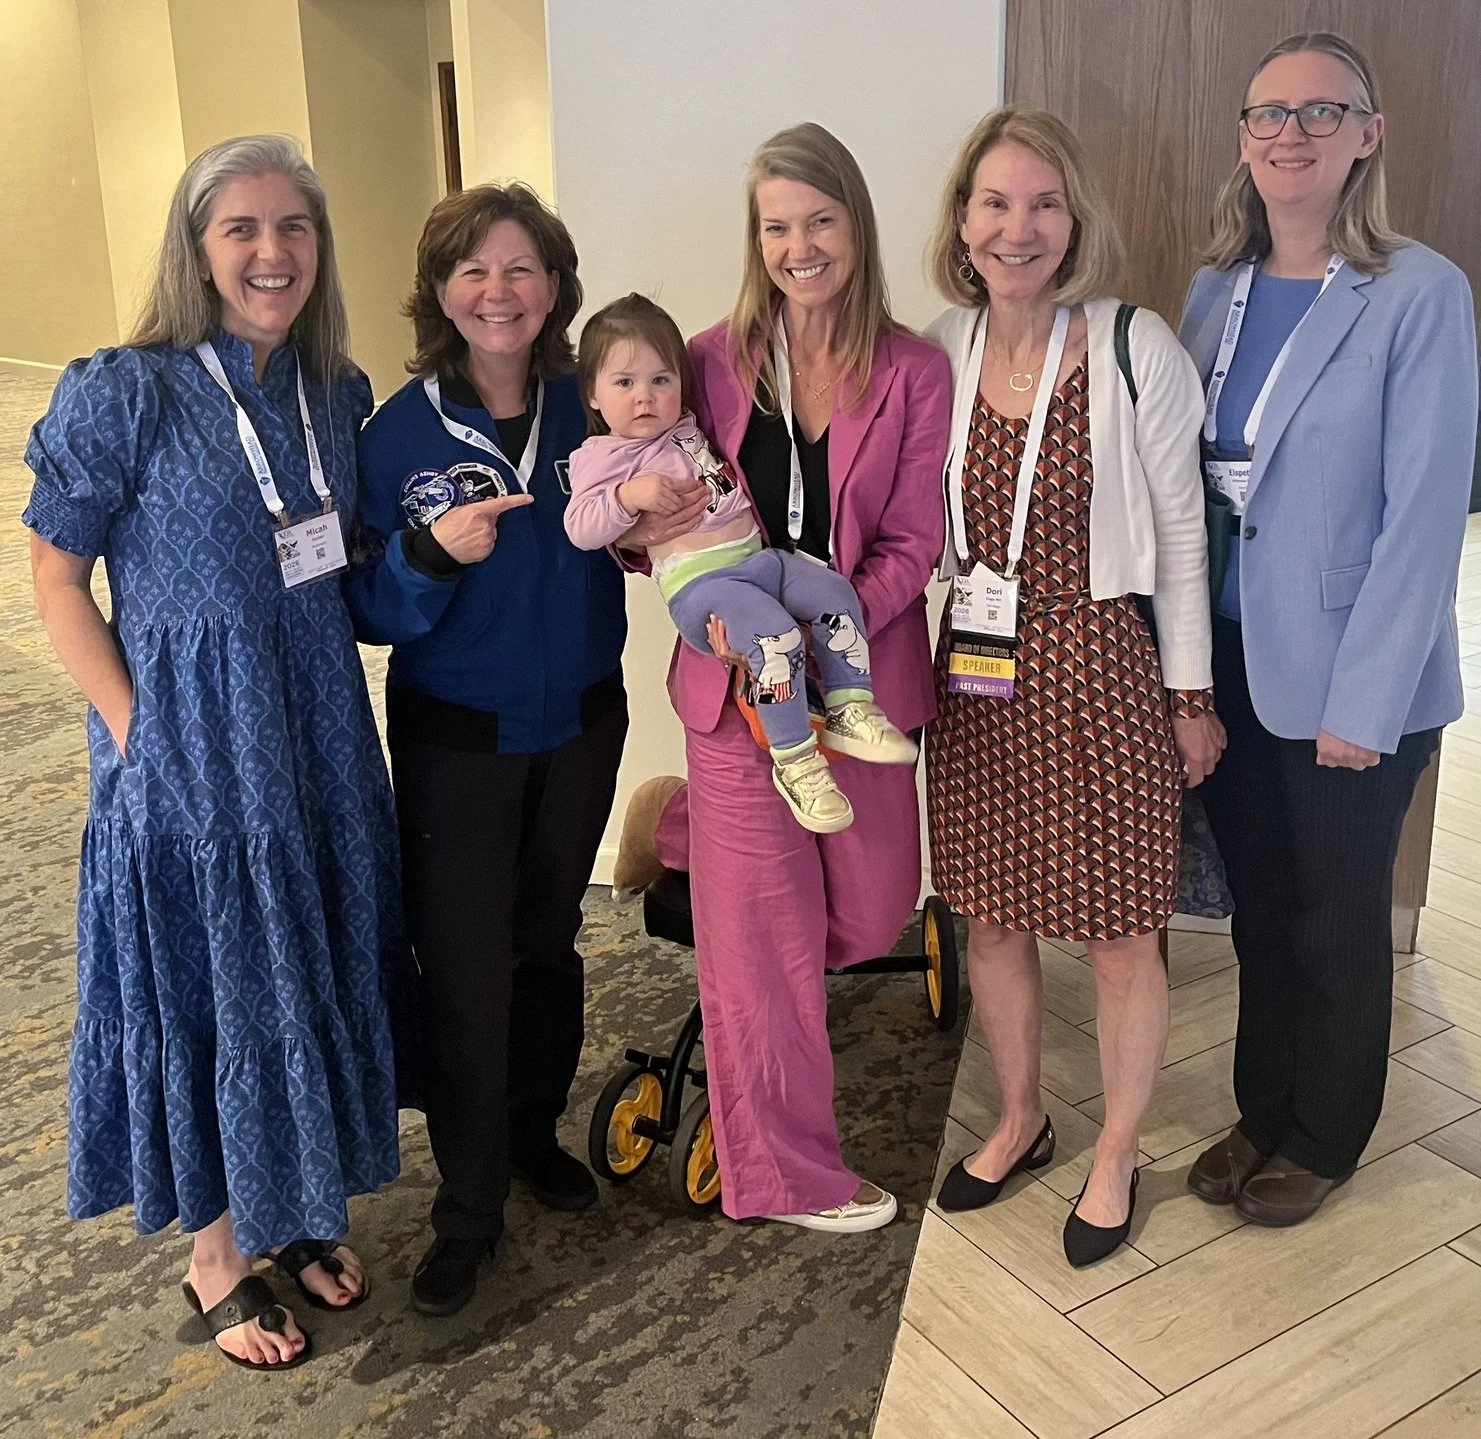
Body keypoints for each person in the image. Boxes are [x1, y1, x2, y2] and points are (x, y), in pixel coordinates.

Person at [24, 135, 409, 1369]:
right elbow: (54, 577)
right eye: (240, 228)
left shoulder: (334, 392)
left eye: (294, 227)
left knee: (307, 954)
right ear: (196, 251)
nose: (271, 252)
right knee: (216, 978)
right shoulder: (126, 390)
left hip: (314, 735)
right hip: (189, 750)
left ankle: (290, 1216)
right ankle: (215, 1253)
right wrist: (136, 732)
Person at [623, 122, 951, 1232]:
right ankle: (782, 1170)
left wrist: (822, 635)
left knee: (869, 908)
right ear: (754, 238)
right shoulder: (706, 360)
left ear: (855, 226)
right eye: (776, 227)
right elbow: (641, 502)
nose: (799, 247)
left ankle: (677, 832)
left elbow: (912, 541)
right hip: (731, 690)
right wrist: (642, 537)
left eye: (819, 221)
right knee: (763, 942)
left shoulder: (912, 370)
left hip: (855, 681)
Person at [1180, 32, 1477, 1226]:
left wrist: (1364, 704)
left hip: (1355, 673)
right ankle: (1261, 1108)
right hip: (1231, 657)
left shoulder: (1418, 291)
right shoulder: (1212, 289)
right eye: (1268, 113)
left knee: (1337, 917)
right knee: (1258, 909)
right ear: (1242, 137)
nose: (1290, 133)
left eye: (1320, 111)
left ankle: (1324, 1131)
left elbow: (1424, 517)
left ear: (1367, 134)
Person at [923, 107, 1225, 1267]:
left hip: (1099, 667)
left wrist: (1188, 696)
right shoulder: (939, 347)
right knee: (991, 916)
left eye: (1042, 203)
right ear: (962, 221)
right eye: (995, 202)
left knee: (1117, 931)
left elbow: (1183, 535)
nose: (1018, 227)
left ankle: (1118, 1149)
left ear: (1073, 221)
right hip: (974, 676)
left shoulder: (1131, 344)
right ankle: (1020, 1117)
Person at [348, 183, 634, 1315]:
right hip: (456, 744)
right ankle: (466, 1210)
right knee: (466, 977)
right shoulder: (396, 435)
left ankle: (530, 1132)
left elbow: (668, 512)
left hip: (581, 725)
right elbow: (361, 602)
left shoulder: (596, 404)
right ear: (439, 291)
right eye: (472, 270)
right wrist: (427, 554)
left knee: (547, 944)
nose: (498, 291)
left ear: (554, 285)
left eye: (521, 268)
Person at [566, 293, 918, 834]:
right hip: (704, 587)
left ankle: (851, 705)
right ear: (593, 392)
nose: (644, 396)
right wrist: (629, 497)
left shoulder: (686, 426)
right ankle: (796, 760)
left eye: (661, 379)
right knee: (776, 639)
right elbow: (581, 527)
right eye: (624, 382)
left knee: (834, 593)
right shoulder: (601, 456)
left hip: (761, 563)